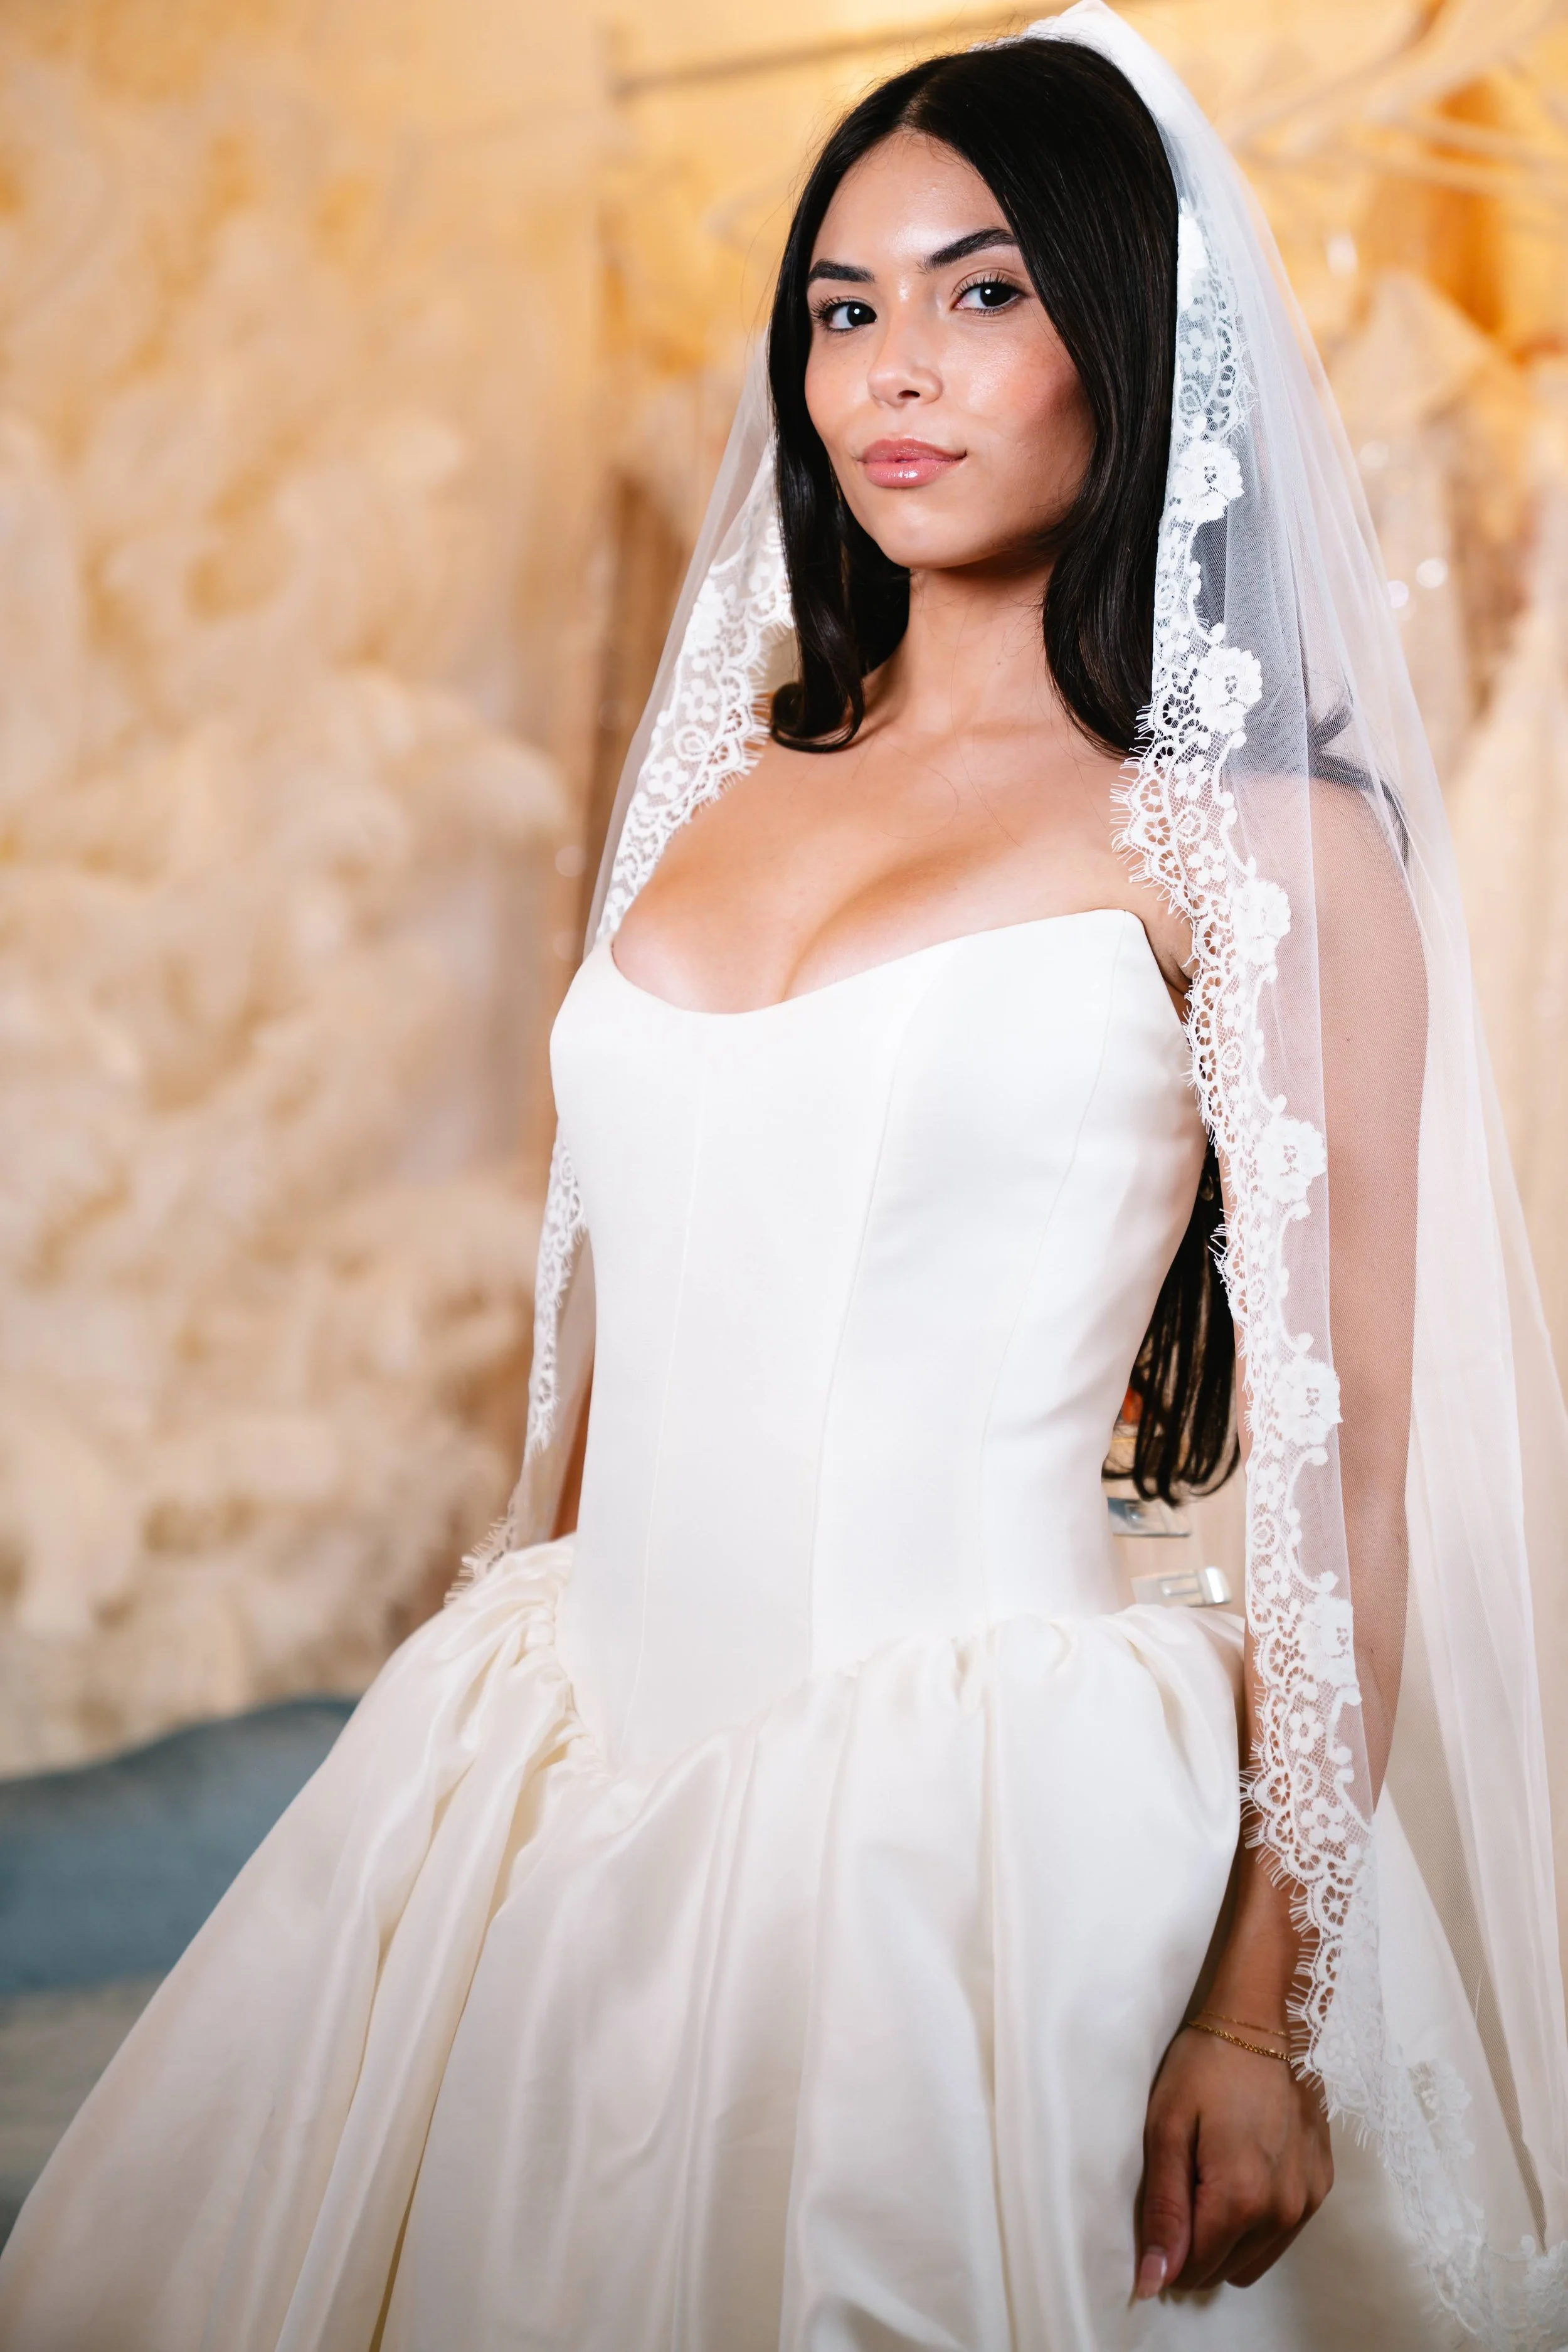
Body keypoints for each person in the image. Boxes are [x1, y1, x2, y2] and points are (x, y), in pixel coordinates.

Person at [3, 7, 1566, 2347]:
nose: (889, 372)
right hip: (544, 1763)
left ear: (1129, 334)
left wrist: (1263, 2010)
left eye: (981, 291)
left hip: (961, 1830)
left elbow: (1346, 1478)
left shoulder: (1256, 847)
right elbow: (620, 1325)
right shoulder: (727, 777)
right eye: (842, 309)